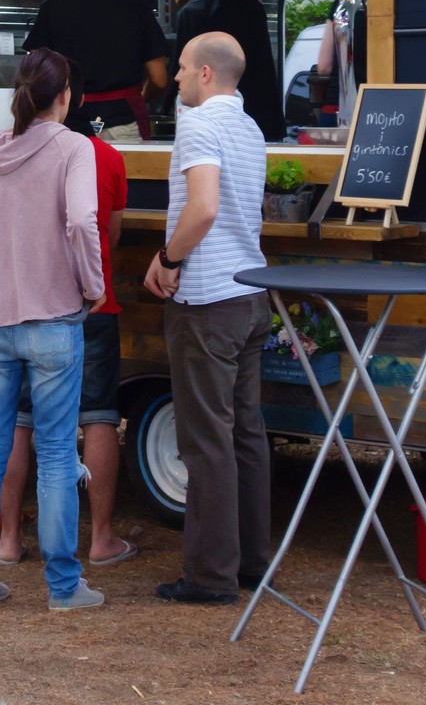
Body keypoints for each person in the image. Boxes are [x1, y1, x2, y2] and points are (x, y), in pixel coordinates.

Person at [0, 48, 104, 612]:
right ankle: (64, 588)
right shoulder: (74, 148)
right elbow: (82, 220)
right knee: (58, 454)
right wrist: (92, 283)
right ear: (65, 95)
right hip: (52, 315)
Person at [143, 32, 272, 606]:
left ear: (204, 75)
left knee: (206, 441)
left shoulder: (198, 125)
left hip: (208, 298)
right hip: (250, 292)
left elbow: (203, 206)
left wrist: (169, 257)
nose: (171, 77)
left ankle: (210, 577)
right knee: (246, 434)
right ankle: (249, 563)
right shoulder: (248, 127)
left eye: (181, 68)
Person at [0, 127, 138, 571]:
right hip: (92, 303)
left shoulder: (4, 148)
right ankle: (100, 539)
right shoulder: (105, 155)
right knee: (97, 417)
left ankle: (10, 538)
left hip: (24, 303)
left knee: (19, 422)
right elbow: (106, 232)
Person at [23, 0, 170, 140]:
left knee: (71, 173)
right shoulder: (138, 10)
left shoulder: (53, 8)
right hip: (124, 121)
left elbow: (34, 72)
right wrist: (139, 98)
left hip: (67, 122)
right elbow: (159, 79)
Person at [152, 0, 286, 141]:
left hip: (219, 131)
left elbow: (181, 77)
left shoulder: (193, 12)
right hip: (263, 124)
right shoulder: (251, 6)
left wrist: (162, 108)